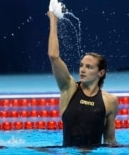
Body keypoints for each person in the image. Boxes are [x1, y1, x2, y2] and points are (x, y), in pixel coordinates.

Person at [47, 11, 118, 147]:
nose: (82, 70)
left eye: (89, 67)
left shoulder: (110, 101)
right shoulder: (69, 88)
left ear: (100, 72)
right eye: (81, 66)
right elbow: (54, 56)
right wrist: (53, 21)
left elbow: (110, 141)